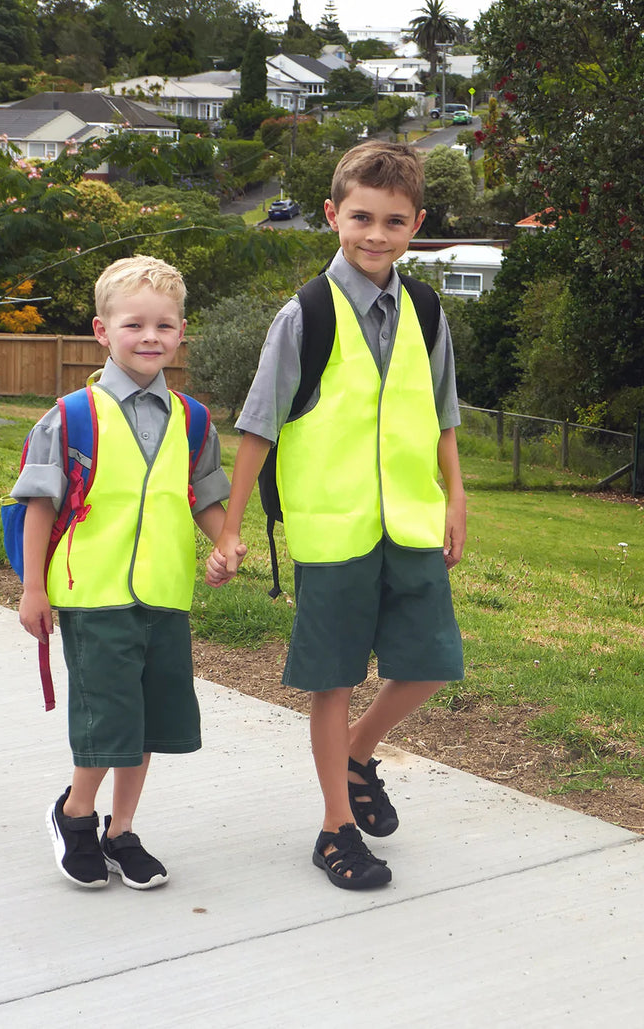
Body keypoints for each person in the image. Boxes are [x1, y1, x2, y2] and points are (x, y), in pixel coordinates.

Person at [207, 141, 466, 891]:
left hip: (412, 521)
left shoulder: (424, 307)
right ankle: (335, 827)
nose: (376, 234)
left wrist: (456, 494)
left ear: (416, 224)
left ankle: (356, 754)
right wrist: (231, 527)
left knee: (430, 664)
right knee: (335, 678)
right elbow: (259, 424)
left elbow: (442, 410)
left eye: (393, 221)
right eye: (361, 217)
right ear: (332, 215)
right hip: (333, 530)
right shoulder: (306, 313)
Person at [13, 255, 240, 890]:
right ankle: (75, 815)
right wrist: (34, 588)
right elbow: (39, 505)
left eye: (164, 326)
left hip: (166, 595)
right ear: (101, 330)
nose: (150, 337)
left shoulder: (193, 421)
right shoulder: (71, 415)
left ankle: (122, 831)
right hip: (93, 592)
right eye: (134, 324)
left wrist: (226, 542)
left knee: (147, 720)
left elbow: (205, 498)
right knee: (108, 717)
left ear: (181, 332)